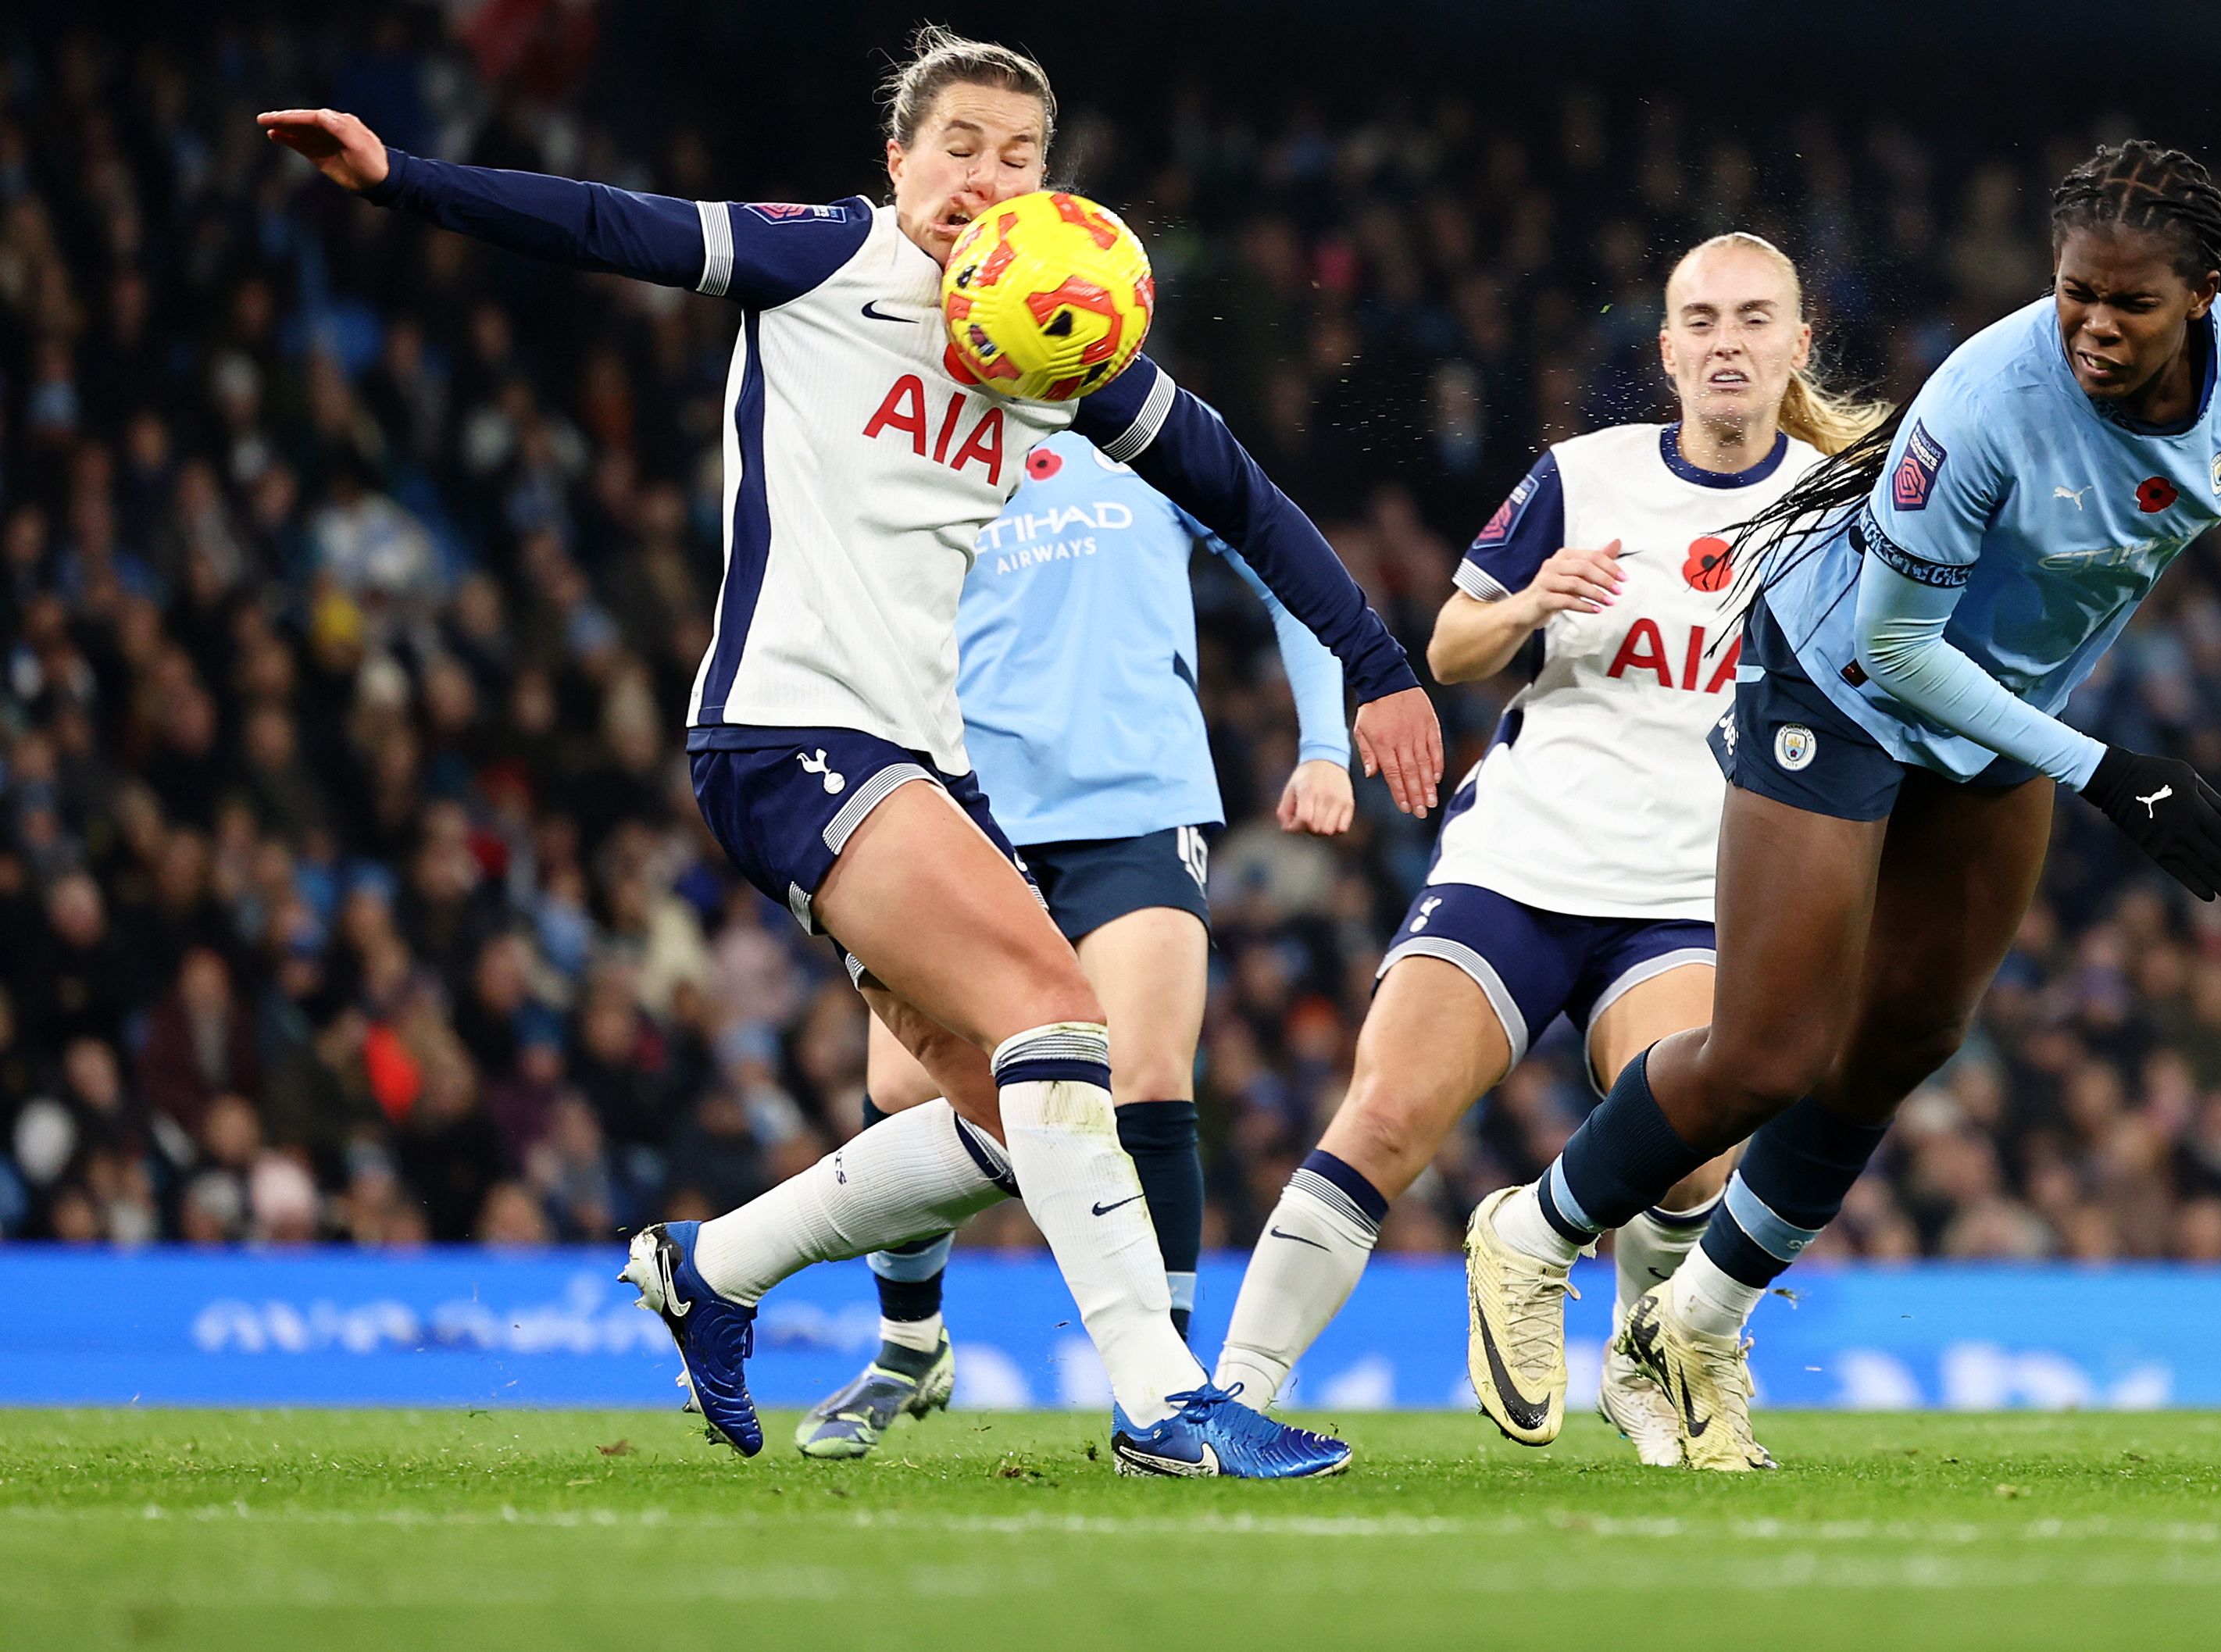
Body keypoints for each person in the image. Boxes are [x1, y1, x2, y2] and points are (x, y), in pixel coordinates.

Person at [259, 25, 1442, 1479]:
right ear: (897, 161)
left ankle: (713, 1270)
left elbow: (1251, 503)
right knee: (1061, 1015)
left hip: (916, 763)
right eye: (958, 148)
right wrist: (399, 182)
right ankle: (1164, 1403)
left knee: (1008, 1115)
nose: (983, 178)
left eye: (1018, 158)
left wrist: (1381, 669)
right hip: (788, 729)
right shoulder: (823, 260)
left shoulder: (1056, 354)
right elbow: (602, 224)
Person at [1459, 141, 2221, 1469]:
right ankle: (1530, 1235)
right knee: (1771, 1052)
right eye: (2074, 295)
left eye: (2131, 303)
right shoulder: (1988, 397)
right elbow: (1897, 652)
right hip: (1840, 681)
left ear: (2204, 297)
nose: (2095, 327)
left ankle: (1693, 1326)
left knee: (1909, 1039)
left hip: (2007, 707)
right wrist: (2109, 773)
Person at [1210, 234, 1880, 1465]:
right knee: (1389, 1112)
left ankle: (1645, 1363)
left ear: (1798, 345)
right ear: (1668, 351)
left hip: (1690, 888)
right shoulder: (1585, 475)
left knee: (1692, 1164)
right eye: (1701, 321)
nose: (1726, 342)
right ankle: (1231, 1396)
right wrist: (1526, 605)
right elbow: (1454, 648)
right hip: (1524, 860)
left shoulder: (1844, 514)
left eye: (1753, 320)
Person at [795, 427, 1360, 1459]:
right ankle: (911, 1338)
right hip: (969, 817)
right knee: (911, 1091)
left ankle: (1169, 1399)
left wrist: (1323, 743)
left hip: (1137, 805)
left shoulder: (1152, 436)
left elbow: (1291, 571)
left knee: (1146, 1074)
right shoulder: (923, 439)